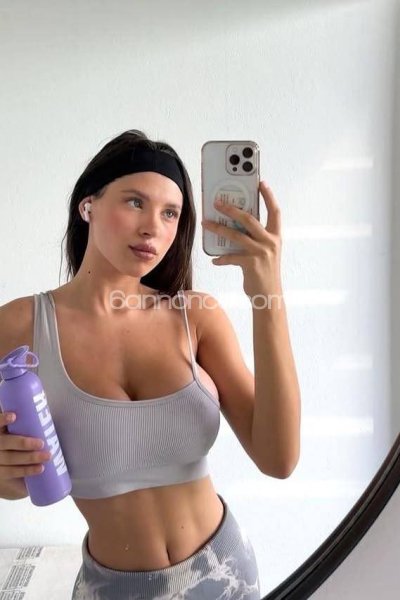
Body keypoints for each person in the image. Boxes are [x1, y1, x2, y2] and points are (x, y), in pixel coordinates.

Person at [0, 129, 300, 599]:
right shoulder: (20, 325)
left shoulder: (195, 317)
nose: (152, 228)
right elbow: (14, 482)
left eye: (170, 213)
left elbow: (278, 458)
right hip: (112, 588)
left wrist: (268, 293)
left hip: (225, 575)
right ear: (87, 206)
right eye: (135, 202)